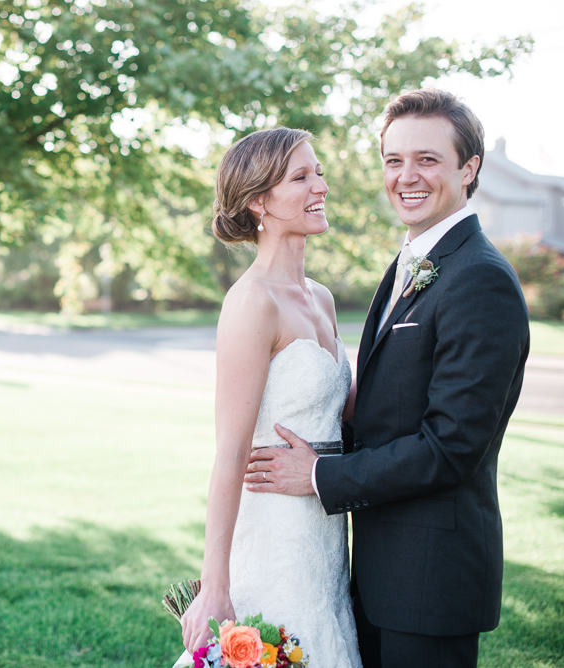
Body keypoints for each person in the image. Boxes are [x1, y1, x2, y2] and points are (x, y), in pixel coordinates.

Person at [246, 89, 530, 668]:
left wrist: (322, 473)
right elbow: (385, 409)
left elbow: (451, 447)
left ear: (469, 168)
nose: (406, 177)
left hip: (432, 581)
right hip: (375, 575)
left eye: (427, 159)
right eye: (394, 161)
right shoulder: (412, 263)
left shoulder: (481, 281)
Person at [175, 127, 362, 668]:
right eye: (301, 177)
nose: (320, 185)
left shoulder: (321, 298)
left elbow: (343, 412)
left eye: (319, 172)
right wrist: (214, 583)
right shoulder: (250, 303)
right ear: (259, 201)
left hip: (324, 531)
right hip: (274, 532)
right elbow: (230, 452)